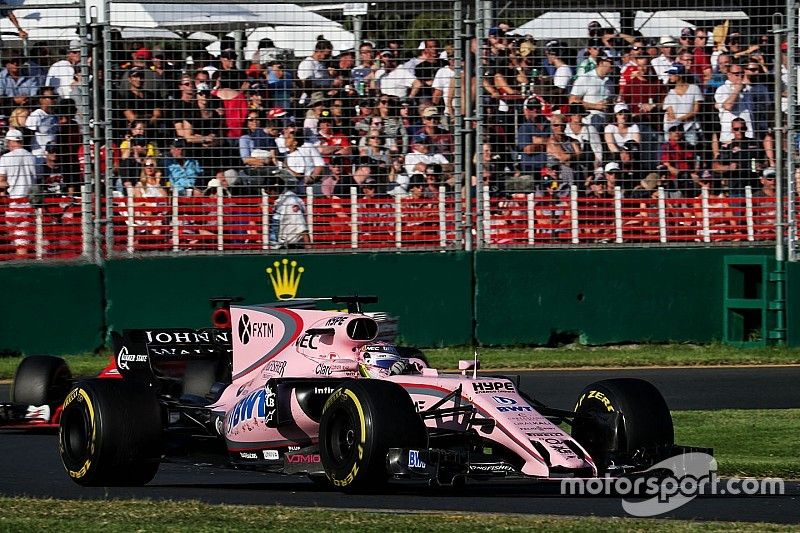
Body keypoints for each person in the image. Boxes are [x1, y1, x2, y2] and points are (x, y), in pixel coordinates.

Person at [0, 129, 37, 256]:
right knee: (21, 241)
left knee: (17, 241)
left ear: (10, 142)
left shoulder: (5, 158)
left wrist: (9, 183)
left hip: (13, 204)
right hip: (29, 203)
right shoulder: (32, 157)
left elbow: (1, 182)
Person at [266, 169, 309, 248]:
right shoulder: (280, 202)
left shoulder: (290, 202)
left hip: (291, 247)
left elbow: (302, 227)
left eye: (268, 192)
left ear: (274, 190)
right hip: (279, 247)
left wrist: (309, 251)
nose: (268, 195)